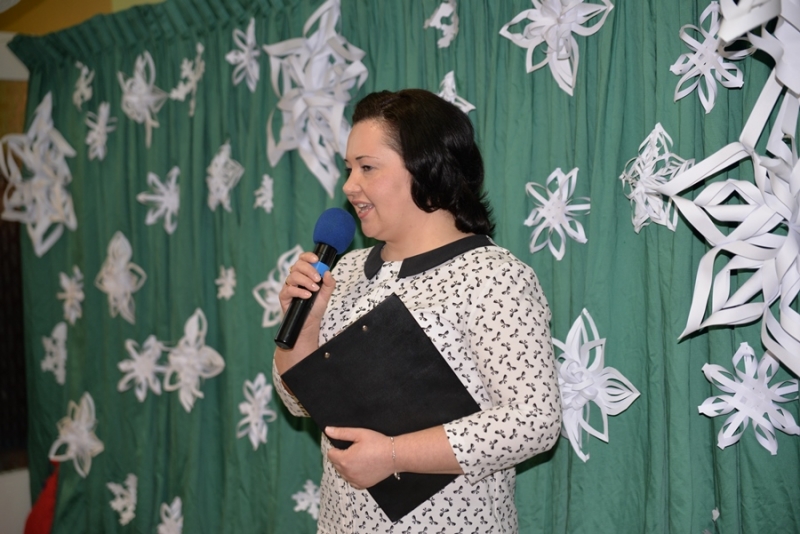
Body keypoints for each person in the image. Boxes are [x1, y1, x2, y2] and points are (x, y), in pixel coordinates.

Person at [273, 89, 561, 533]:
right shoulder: (343, 270)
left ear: (427, 168)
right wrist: (305, 325)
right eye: (349, 169)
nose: (349, 186)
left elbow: (534, 421)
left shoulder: (493, 275)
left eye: (367, 167)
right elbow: (298, 403)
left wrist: (393, 455)